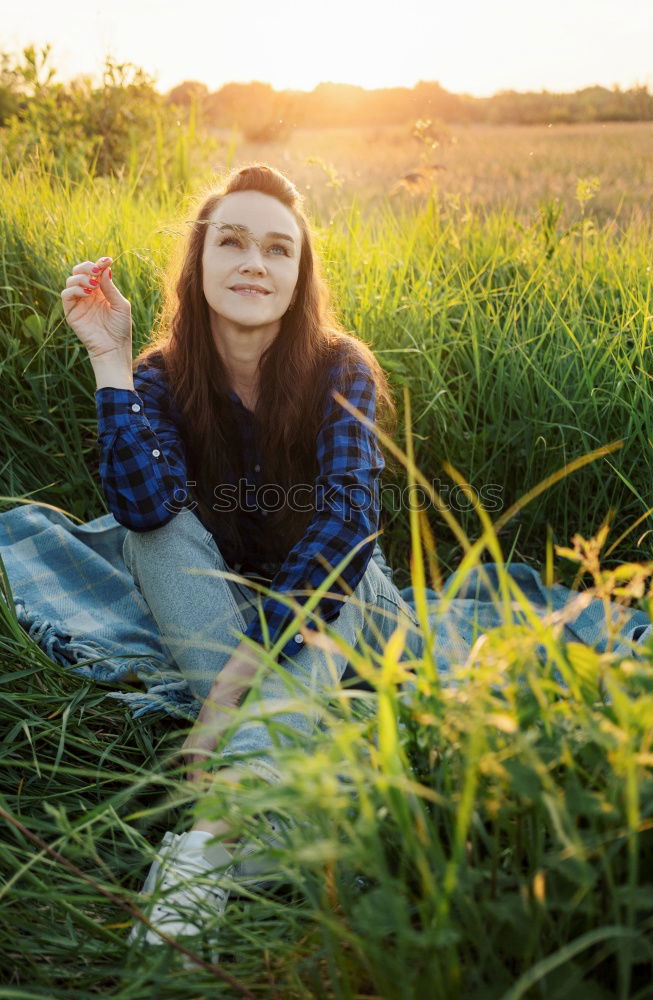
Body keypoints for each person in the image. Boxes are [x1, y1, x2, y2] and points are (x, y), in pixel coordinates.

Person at [60, 164, 423, 952]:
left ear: (298, 277)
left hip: (343, 603)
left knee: (343, 575)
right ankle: (286, 821)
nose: (254, 262)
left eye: (277, 249)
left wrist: (227, 692)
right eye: (231, 241)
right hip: (220, 597)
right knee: (146, 534)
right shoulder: (161, 374)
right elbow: (144, 504)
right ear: (199, 262)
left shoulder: (340, 367)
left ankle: (213, 842)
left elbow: (349, 523)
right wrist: (111, 363)